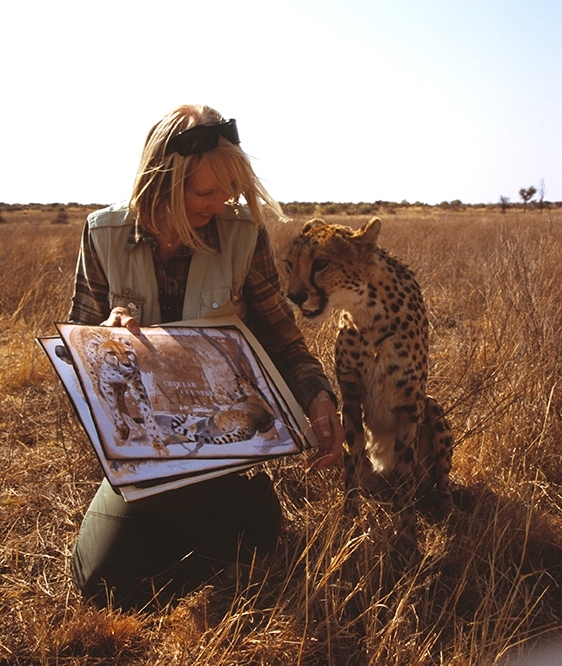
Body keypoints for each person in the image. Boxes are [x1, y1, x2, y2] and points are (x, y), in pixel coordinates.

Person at [68, 104, 344, 610]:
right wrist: (104, 343)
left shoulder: (244, 234)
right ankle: (241, 528)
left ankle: (241, 516)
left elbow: (284, 341)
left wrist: (319, 396)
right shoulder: (101, 234)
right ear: (162, 181)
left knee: (151, 563)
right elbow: (76, 360)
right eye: (204, 192)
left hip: (219, 450)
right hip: (143, 456)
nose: (219, 205)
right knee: (99, 585)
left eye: (229, 192)